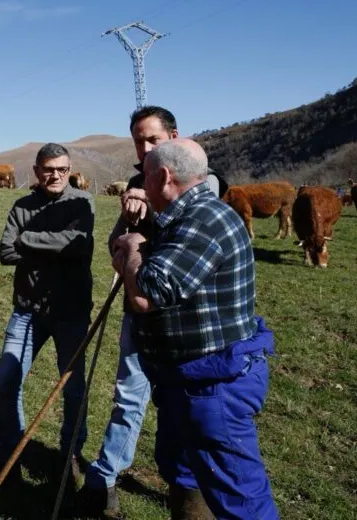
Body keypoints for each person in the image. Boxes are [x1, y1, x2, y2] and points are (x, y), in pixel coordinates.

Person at [112, 138, 278, 520]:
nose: (141, 183)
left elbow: (145, 296)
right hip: (186, 379)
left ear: (165, 177)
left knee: (239, 497)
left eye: (145, 175)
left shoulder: (204, 219)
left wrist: (136, 247)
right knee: (185, 472)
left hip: (213, 384)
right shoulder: (178, 218)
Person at [80, 106, 229, 516]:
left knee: (182, 408)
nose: (145, 148)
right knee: (129, 397)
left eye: (153, 140)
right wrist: (129, 228)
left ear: (173, 136)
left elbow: (195, 223)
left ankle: (190, 494)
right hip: (139, 311)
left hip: (188, 324)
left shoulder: (204, 181)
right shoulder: (134, 184)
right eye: (138, 141)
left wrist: (152, 203)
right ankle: (103, 481)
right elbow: (117, 251)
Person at [0, 142, 95, 478]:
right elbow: (6, 252)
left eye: (62, 169)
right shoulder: (22, 205)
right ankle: (11, 451)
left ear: (70, 170)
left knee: (73, 387)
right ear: (36, 171)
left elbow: (79, 244)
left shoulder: (83, 202)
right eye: (49, 169)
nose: (55, 175)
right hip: (27, 310)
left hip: (71, 311)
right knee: (6, 380)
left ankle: (71, 453)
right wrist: (56, 246)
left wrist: (29, 240)